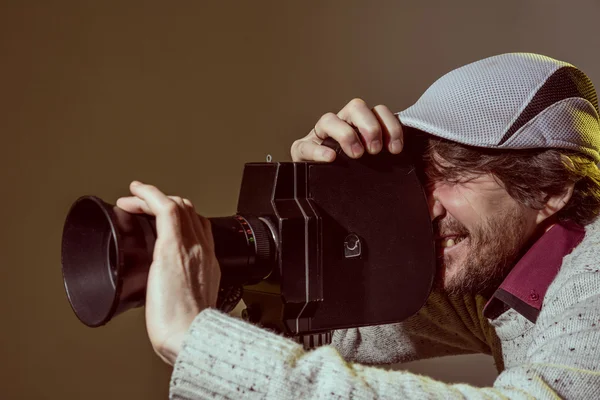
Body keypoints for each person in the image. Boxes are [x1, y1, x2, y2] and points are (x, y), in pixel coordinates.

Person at [116, 53, 600, 399]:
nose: (426, 205)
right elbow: (312, 341)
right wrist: (327, 206)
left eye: (454, 175)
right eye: (422, 176)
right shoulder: (496, 282)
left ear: (550, 189)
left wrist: (197, 340)